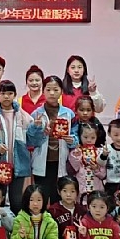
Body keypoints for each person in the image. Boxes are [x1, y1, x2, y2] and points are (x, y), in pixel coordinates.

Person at [0, 80, 33, 214]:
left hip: (18, 166)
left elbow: (33, 139)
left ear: (15, 95)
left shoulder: (24, 116)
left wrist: (38, 128)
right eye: (3, 93)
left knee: (16, 201)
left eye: (10, 93)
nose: (6, 96)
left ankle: (16, 227)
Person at [27, 75, 75, 204]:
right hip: (42, 162)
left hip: (61, 161)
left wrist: (72, 140)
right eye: (48, 90)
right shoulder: (36, 114)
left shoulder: (69, 114)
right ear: (43, 91)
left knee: (58, 197)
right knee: (41, 197)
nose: (52, 93)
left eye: (56, 90)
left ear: (61, 91)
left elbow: (75, 137)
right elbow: (31, 142)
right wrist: (40, 132)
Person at [68, 123, 107, 195]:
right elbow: (74, 169)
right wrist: (77, 156)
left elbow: (103, 175)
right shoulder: (76, 152)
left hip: (96, 189)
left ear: (97, 137)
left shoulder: (100, 152)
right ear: (80, 136)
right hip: (81, 188)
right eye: (85, 137)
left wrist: (96, 169)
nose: (89, 140)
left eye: (92, 138)